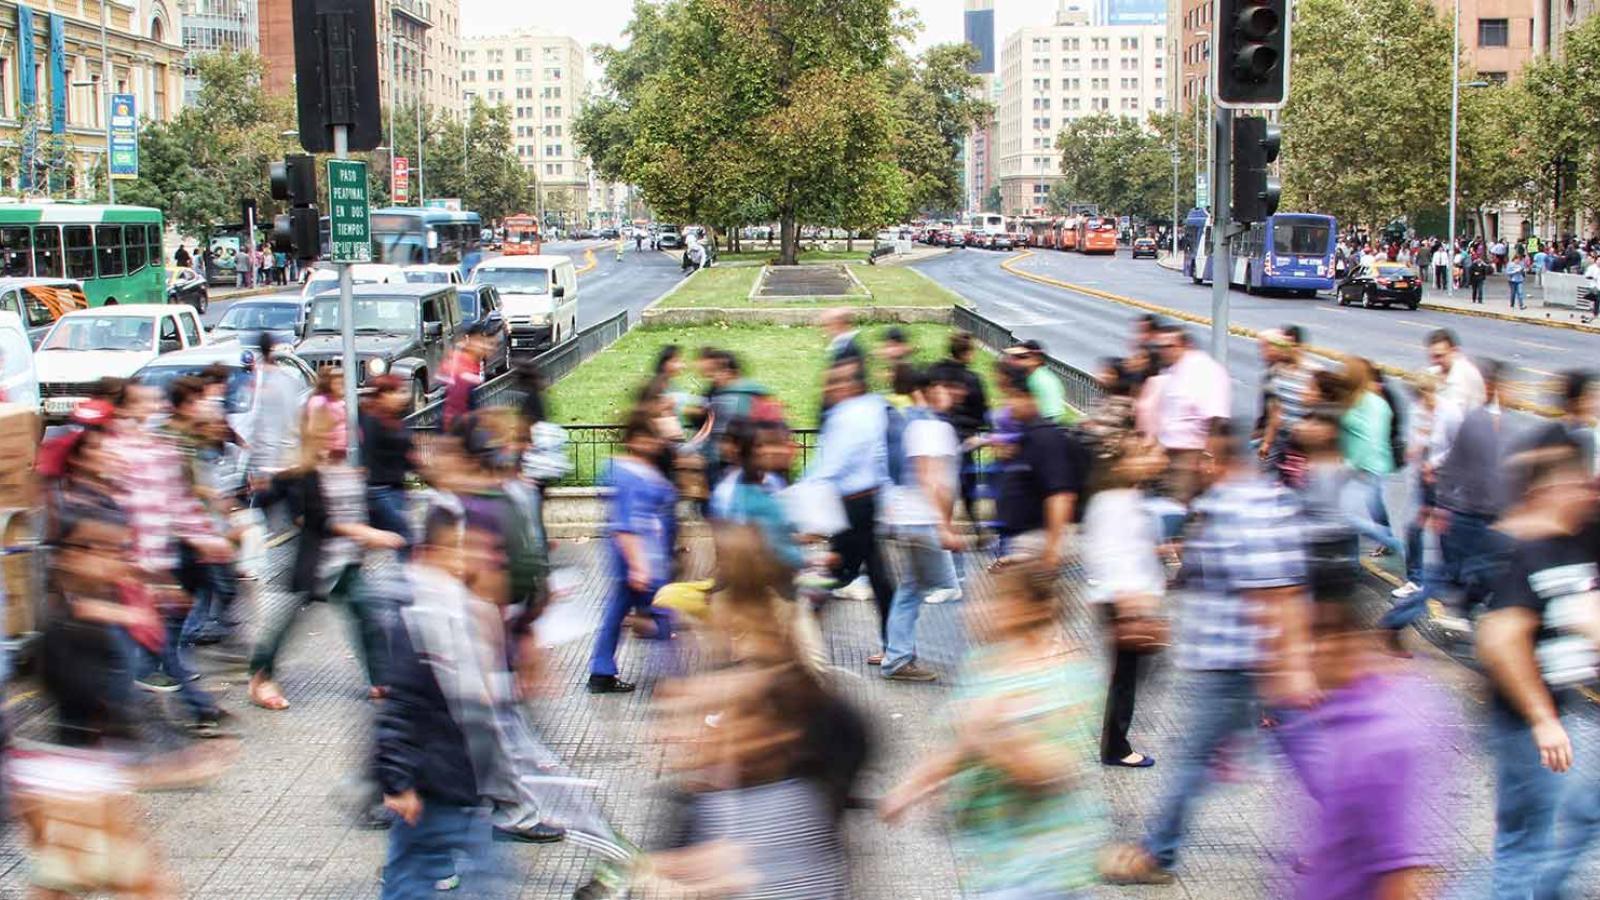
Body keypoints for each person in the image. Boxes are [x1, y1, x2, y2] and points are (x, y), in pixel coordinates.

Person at [1101, 421, 1313, 885]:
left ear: (1218, 460)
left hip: (1237, 663)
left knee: (1197, 758)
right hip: (1235, 661)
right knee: (1298, 754)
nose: (1194, 465)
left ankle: (1158, 854)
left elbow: (1276, 591)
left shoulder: (1242, 506)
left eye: (1202, 458)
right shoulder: (1246, 501)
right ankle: (1349, 841)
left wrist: (1286, 668)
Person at [881, 561, 1106, 899]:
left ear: (1031, 609)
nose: (972, 611)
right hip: (994, 855)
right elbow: (961, 744)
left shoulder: (1065, 675)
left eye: (993, 601)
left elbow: (1053, 770)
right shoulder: (985, 663)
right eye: (974, 601)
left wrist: (991, 737)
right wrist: (913, 785)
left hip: (1046, 861)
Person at [1476, 437, 1598, 898]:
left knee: (1570, 822)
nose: (1585, 494)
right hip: (1526, 724)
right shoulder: (1521, 550)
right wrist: (1542, 720)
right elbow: (1501, 641)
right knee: (1524, 847)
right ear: (1551, 489)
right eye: (1575, 485)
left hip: (1565, 713)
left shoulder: (1581, 537)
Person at [376, 502, 506, 899]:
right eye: (457, 549)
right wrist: (397, 782)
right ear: (430, 554)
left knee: (417, 873)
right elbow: (398, 706)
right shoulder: (418, 617)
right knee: (416, 879)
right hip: (431, 779)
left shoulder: (456, 608)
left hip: (456, 775)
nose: (466, 559)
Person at [248, 405, 407, 710]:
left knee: (368, 615)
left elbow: (360, 510)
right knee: (287, 622)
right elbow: (317, 520)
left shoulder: (348, 472)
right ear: (318, 433)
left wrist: (372, 534)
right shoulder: (304, 474)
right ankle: (260, 675)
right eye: (335, 427)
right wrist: (366, 533)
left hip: (345, 562)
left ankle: (380, 680)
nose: (343, 433)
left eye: (344, 428)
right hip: (315, 562)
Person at [1082, 438, 1166, 769]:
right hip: (1123, 603)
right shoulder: (1114, 502)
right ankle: (1116, 746)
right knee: (1124, 679)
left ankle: (1115, 741)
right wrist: (1130, 609)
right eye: (1144, 453)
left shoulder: (1125, 498)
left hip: (1129, 602)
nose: (1155, 458)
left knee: (1128, 676)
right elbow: (1109, 557)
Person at [805, 360, 896, 647]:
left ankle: (894, 646)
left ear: (852, 385)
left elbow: (831, 464)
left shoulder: (848, 416)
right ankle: (894, 646)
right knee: (867, 576)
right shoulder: (873, 409)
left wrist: (804, 494)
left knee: (845, 573)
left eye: (836, 382)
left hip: (852, 505)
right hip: (862, 504)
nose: (830, 389)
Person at [879, 366, 961, 683]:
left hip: (908, 518)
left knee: (912, 589)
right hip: (923, 521)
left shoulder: (910, 422)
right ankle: (899, 657)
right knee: (947, 588)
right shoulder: (928, 427)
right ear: (927, 390)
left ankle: (896, 655)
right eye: (943, 388)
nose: (949, 394)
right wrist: (943, 526)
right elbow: (930, 478)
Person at [588, 410, 677, 694]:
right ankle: (666, 676)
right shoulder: (630, 475)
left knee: (618, 613)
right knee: (661, 611)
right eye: (651, 438)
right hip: (641, 559)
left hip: (639, 558)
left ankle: (602, 670)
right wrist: (639, 566)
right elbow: (626, 524)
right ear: (636, 440)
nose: (657, 444)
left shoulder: (631, 471)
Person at [992, 365, 1085, 572]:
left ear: (1031, 399)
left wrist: (1052, 549)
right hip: (1023, 540)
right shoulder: (1026, 438)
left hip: (1037, 540)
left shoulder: (1046, 439)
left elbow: (1060, 495)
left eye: (1014, 397)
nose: (1009, 404)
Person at [1150, 325, 1231, 502]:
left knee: (1181, 504)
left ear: (1186, 345)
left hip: (1191, 454)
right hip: (1168, 452)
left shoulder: (1204, 371)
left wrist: (1209, 458)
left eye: (1169, 346)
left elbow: (1216, 420)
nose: (1163, 352)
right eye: (1160, 347)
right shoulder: (1172, 370)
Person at [927, 332, 990, 536]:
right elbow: (981, 411)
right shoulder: (972, 379)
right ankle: (976, 528)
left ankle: (940, 528)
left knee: (937, 485)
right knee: (967, 487)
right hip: (964, 438)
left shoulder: (934, 372)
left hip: (935, 436)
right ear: (967, 353)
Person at [362, 375, 416, 556]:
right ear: (382, 395)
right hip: (379, 491)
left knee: (400, 540)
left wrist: (422, 485)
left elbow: (407, 460)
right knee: (405, 539)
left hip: (397, 490)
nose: (401, 396)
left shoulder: (396, 420)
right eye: (394, 392)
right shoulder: (371, 421)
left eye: (401, 391)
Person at [1005, 339, 1068, 423]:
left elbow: (1049, 416)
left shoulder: (1040, 380)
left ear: (1037, 359)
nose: (1013, 361)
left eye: (1021, 357)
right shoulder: (1033, 375)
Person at [1426, 328, 1486, 412]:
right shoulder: (1430, 373)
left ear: (1454, 351)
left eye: (1439, 356)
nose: (1434, 361)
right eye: (1432, 356)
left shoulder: (1468, 375)